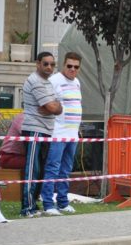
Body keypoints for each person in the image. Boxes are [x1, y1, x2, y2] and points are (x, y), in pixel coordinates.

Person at [19, 52, 63, 217]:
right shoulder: (35, 80)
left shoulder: (48, 83)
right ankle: (27, 207)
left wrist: (53, 107)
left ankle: (33, 204)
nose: (49, 67)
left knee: (41, 170)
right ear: (38, 64)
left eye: (52, 64)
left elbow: (58, 107)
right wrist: (51, 107)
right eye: (45, 64)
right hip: (34, 129)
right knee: (32, 169)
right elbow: (53, 108)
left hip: (46, 130)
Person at [39, 52, 84, 215]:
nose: (72, 69)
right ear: (63, 65)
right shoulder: (54, 80)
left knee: (66, 169)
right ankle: (48, 203)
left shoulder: (77, 82)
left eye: (76, 67)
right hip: (57, 133)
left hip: (72, 134)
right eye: (69, 66)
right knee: (53, 168)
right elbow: (45, 104)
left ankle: (63, 202)